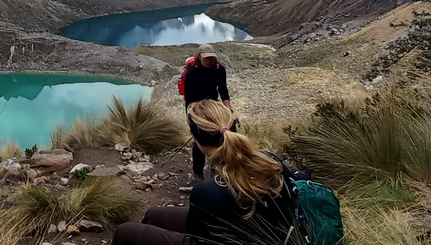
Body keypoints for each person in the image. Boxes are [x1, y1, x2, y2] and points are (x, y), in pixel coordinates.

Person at [111, 99, 295, 245]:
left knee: (125, 231)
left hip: (226, 238)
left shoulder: (206, 192)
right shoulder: (272, 162)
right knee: (153, 215)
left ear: (197, 140)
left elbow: (197, 236)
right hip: (268, 234)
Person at [183, 43, 230, 181]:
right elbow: (189, 98)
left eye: (211, 58)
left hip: (213, 105)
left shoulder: (220, 69)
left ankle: (215, 167)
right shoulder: (192, 72)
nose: (209, 60)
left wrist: (228, 108)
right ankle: (198, 172)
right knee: (199, 139)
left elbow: (223, 90)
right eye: (206, 58)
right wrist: (193, 117)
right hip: (196, 106)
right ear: (199, 56)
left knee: (218, 136)